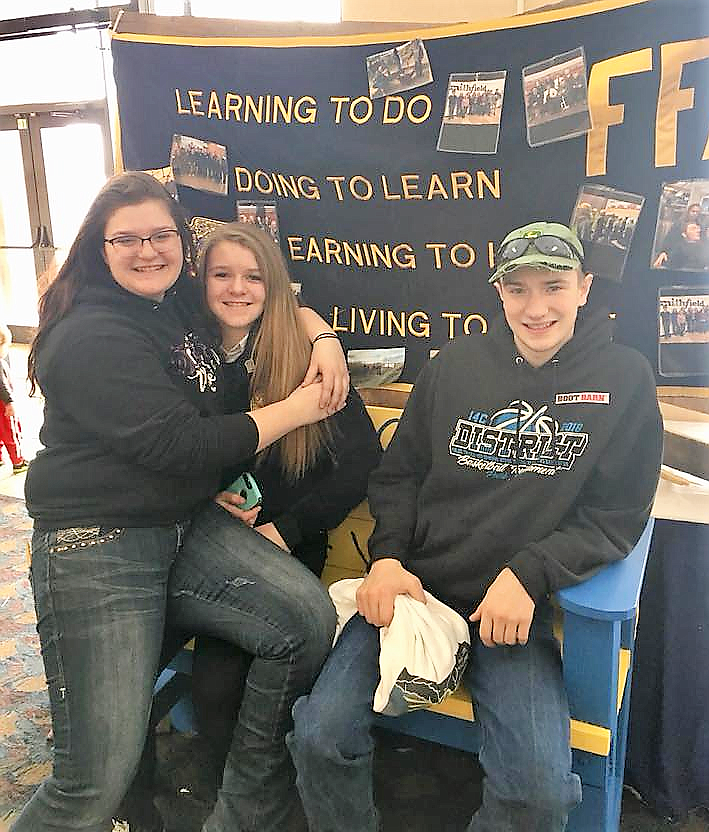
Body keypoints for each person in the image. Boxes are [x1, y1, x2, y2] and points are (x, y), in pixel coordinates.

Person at [288, 221, 663, 832]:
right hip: (416, 592)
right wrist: (386, 559)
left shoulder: (624, 378)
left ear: (585, 288)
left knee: (538, 796)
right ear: (499, 294)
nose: (536, 307)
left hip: (515, 617)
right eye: (517, 289)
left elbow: (616, 515)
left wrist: (530, 569)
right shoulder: (453, 366)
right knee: (319, 738)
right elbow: (398, 475)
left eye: (554, 286)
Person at [13, 170, 349, 832]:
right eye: (127, 239)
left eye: (161, 235)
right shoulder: (90, 334)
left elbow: (264, 294)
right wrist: (300, 406)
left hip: (185, 524)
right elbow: (183, 447)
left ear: (181, 244)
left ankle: (245, 806)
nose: (147, 251)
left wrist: (321, 334)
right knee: (91, 782)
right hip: (100, 542)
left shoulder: (170, 306)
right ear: (99, 248)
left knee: (304, 621)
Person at [176, 222, 382, 795]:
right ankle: (226, 788)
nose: (237, 288)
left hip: (284, 552)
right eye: (222, 274)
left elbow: (364, 462)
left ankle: (263, 792)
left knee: (244, 680)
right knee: (211, 689)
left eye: (253, 276)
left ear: (276, 286)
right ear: (200, 282)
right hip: (202, 547)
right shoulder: (188, 355)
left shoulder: (308, 359)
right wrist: (207, 494)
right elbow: (179, 449)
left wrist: (287, 531)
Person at [0, 322, 29, 474]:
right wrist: (9, 402)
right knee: (11, 432)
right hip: (3, 406)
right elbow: (2, 386)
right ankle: (18, 461)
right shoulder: (0, 364)